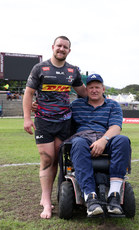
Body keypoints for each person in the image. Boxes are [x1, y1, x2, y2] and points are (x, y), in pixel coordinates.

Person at [23, 36, 87, 219]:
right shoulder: (39, 68)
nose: (61, 49)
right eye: (59, 45)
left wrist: (101, 96)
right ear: (53, 47)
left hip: (64, 122)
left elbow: (82, 92)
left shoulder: (73, 71)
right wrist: (27, 118)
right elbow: (28, 94)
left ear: (69, 50)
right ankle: (46, 202)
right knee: (47, 159)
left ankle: (51, 197)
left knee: (57, 160)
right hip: (43, 122)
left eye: (65, 47)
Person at [69, 74, 131, 217]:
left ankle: (114, 195)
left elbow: (116, 127)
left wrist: (103, 141)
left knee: (122, 140)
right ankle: (90, 197)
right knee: (77, 143)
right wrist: (38, 107)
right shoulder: (76, 105)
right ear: (86, 90)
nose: (94, 90)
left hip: (106, 137)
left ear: (103, 89)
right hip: (83, 138)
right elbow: (60, 115)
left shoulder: (113, 105)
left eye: (97, 87)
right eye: (90, 87)